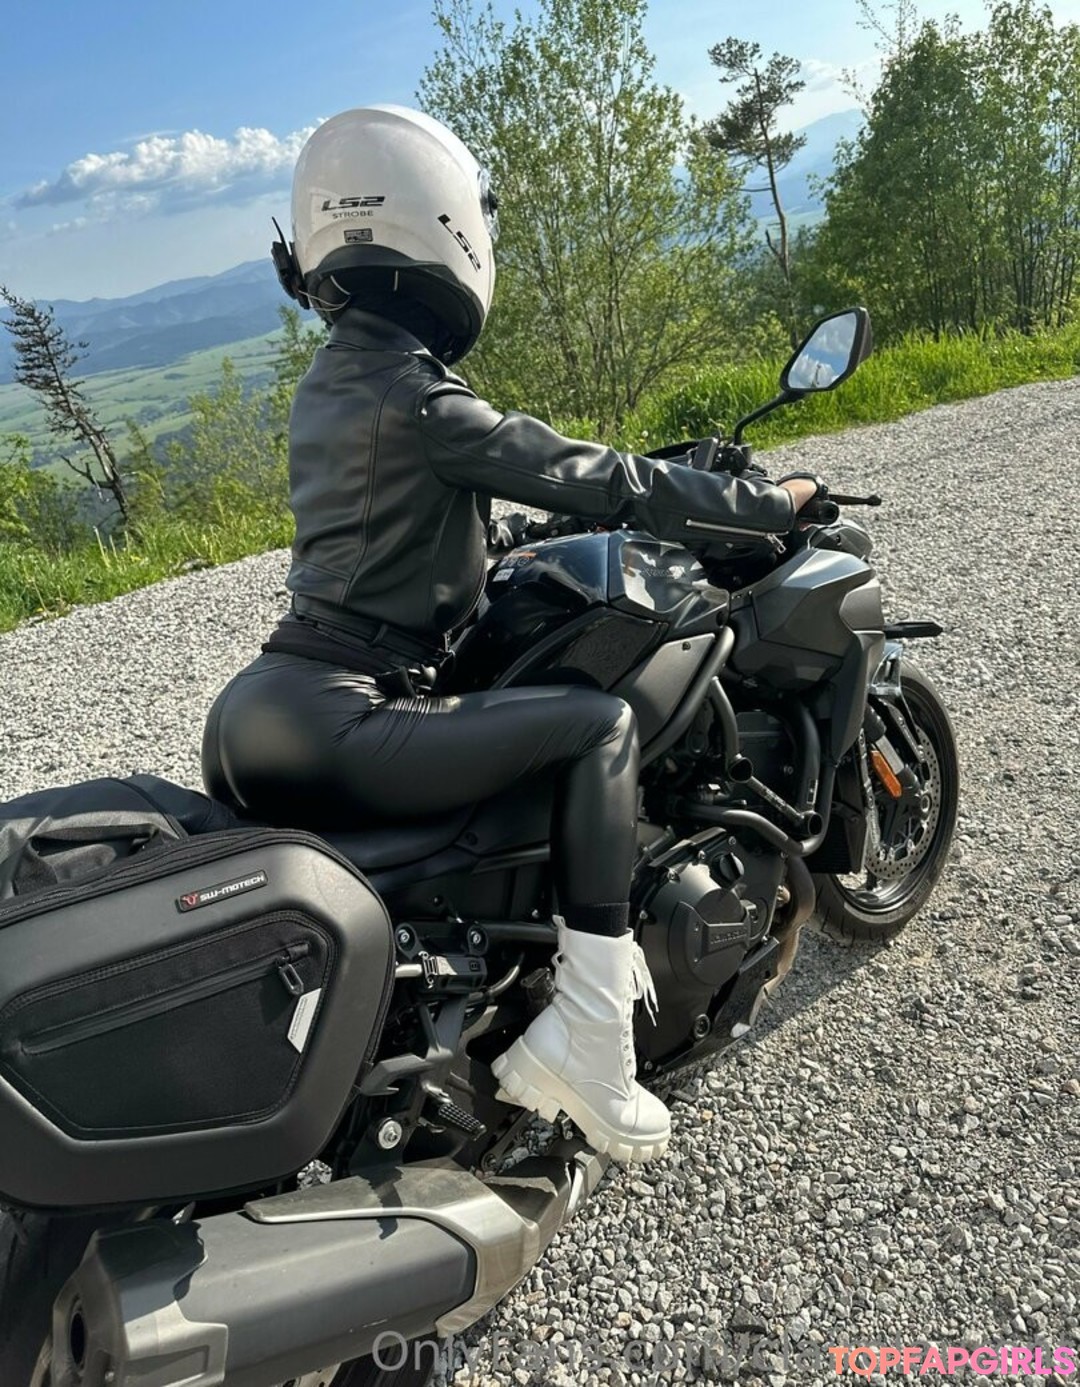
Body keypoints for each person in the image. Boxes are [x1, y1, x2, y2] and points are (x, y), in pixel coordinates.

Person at [202, 105, 820, 1164]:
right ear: (444, 225)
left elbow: (392, 528)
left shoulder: (332, 382)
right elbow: (608, 478)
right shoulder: (422, 398)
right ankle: (590, 1040)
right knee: (596, 729)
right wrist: (770, 503)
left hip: (261, 710)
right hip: (348, 712)